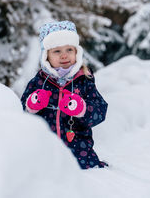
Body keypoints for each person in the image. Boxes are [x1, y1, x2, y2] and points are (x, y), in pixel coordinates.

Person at [21, 20, 108, 169]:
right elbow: (21, 112)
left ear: (77, 52)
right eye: (57, 51)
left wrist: (83, 110)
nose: (64, 56)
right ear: (46, 56)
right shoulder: (39, 81)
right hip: (45, 152)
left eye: (69, 50)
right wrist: (31, 104)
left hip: (80, 153)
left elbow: (100, 110)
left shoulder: (84, 79)